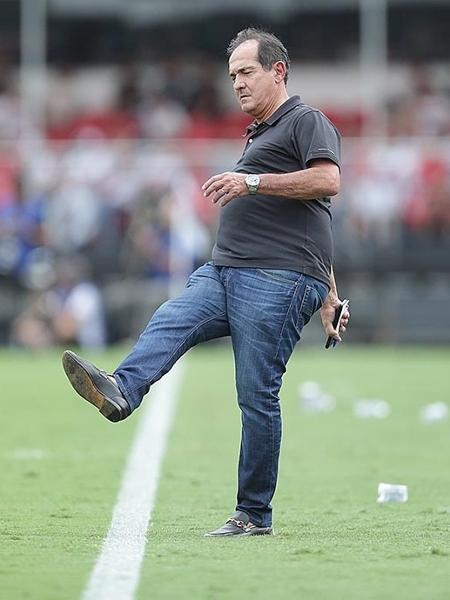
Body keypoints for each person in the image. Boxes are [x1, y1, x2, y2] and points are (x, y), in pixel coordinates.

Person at [62, 27, 349, 537]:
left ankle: (254, 514)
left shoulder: (306, 120)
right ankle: (121, 390)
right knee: (172, 317)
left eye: (247, 72)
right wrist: (329, 291)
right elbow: (312, 219)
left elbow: (328, 182)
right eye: (232, 75)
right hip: (226, 271)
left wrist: (251, 181)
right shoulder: (260, 132)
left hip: (277, 278)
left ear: (277, 71)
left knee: (255, 393)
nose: (237, 83)